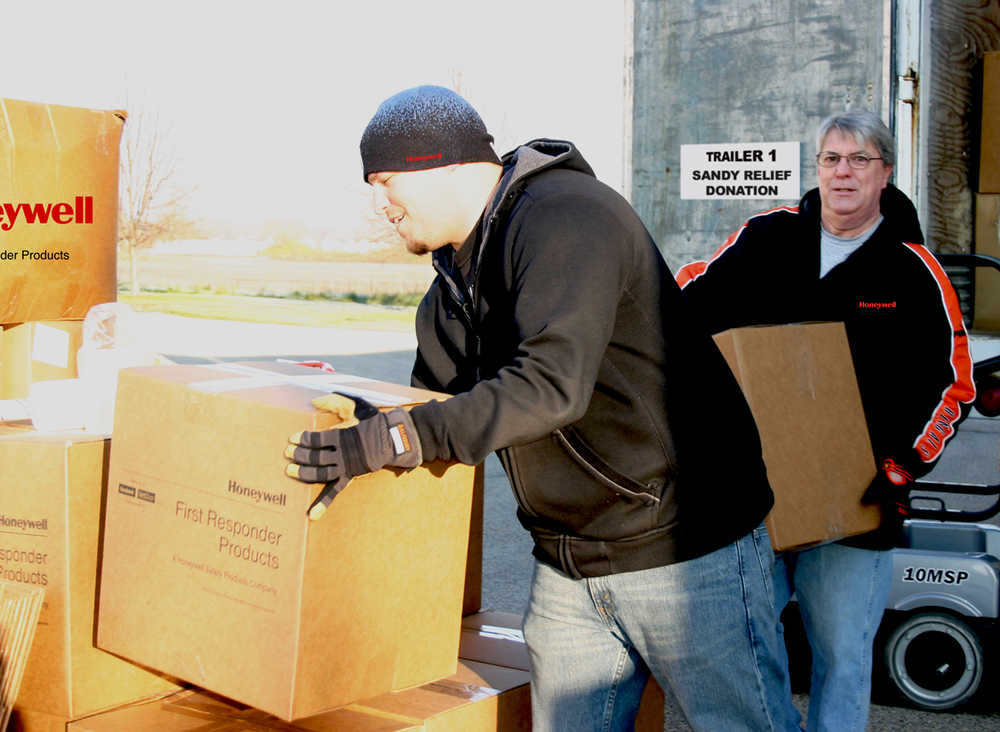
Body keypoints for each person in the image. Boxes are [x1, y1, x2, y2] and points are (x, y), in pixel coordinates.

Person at [282, 85, 801, 732]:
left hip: (687, 550)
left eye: (386, 180)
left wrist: (393, 438)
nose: (379, 201)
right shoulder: (452, 290)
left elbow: (550, 386)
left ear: (445, 166)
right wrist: (359, 427)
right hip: (568, 561)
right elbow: (433, 415)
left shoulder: (568, 217)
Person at [676, 109, 976, 732]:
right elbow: (688, 298)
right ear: (816, 169)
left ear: (885, 174)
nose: (844, 173)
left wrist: (905, 464)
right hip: (755, 492)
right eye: (831, 159)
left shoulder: (915, 271)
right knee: (748, 644)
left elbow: (954, 380)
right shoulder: (767, 238)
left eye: (860, 160)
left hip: (857, 499)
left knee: (842, 652)